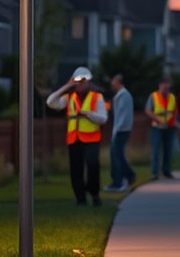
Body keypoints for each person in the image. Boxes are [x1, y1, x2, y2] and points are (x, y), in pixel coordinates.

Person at [46, 66, 107, 205]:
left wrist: (88, 114)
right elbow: (50, 102)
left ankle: (94, 194)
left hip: (92, 138)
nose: (81, 84)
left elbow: (103, 118)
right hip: (74, 138)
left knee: (92, 166)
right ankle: (80, 198)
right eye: (78, 81)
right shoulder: (69, 97)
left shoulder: (97, 97)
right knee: (76, 169)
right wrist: (67, 85)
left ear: (88, 82)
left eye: (84, 81)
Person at [104, 74, 137, 193]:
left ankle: (119, 182)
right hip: (120, 129)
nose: (111, 84)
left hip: (121, 130)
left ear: (119, 82)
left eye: (113, 81)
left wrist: (118, 129)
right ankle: (128, 176)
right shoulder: (120, 95)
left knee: (116, 156)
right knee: (117, 155)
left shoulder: (124, 95)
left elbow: (124, 114)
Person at [145, 78, 176, 179]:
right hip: (157, 127)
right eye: (164, 88)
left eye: (167, 89)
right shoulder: (153, 96)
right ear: (160, 86)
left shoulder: (172, 97)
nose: (165, 91)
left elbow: (174, 111)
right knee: (156, 150)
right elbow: (148, 111)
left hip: (169, 127)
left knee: (168, 150)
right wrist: (158, 120)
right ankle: (155, 173)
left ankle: (166, 171)